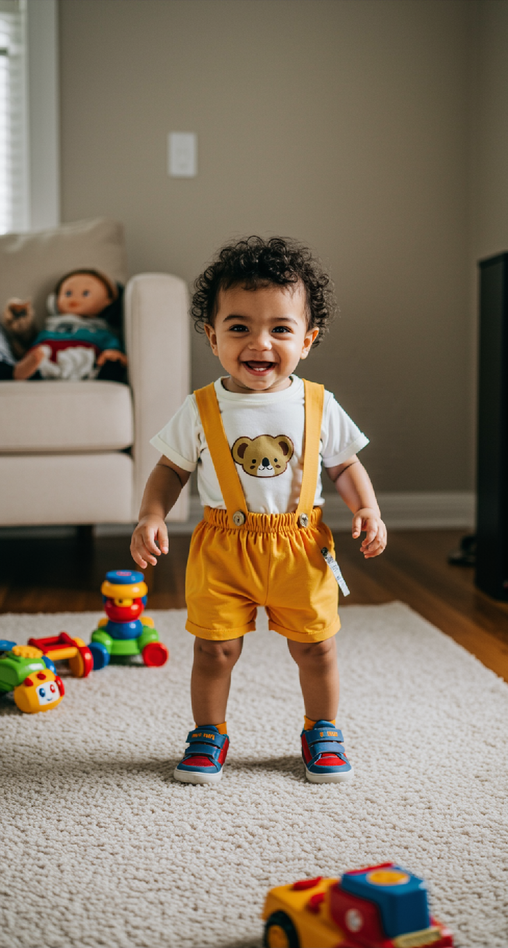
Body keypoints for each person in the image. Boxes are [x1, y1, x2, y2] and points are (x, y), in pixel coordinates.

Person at [130, 236, 387, 786]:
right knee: (214, 648)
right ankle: (208, 732)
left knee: (316, 646)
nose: (259, 343)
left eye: (281, 329)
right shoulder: (200, 407)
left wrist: (368, 508)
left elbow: (343, 465)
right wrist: (152, 515)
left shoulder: (318, 402)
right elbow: (170, 470)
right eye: (239, 326)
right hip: (224, 548)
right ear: (212, 335)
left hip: (301, 547)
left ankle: (321, 728)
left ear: (308, 339)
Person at [1, 269, 127, 381]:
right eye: (67, 293)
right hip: (47, 359)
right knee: (39, 356)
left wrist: (113, 352)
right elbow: (35, 344)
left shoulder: (99, 330)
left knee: (104, 364)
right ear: (54, 301)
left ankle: (106, 374)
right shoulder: (50, 328)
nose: (74, 299)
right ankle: (23, 372)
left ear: (108, 302)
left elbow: (109, 343)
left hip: (83, 358)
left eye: (85, 294)